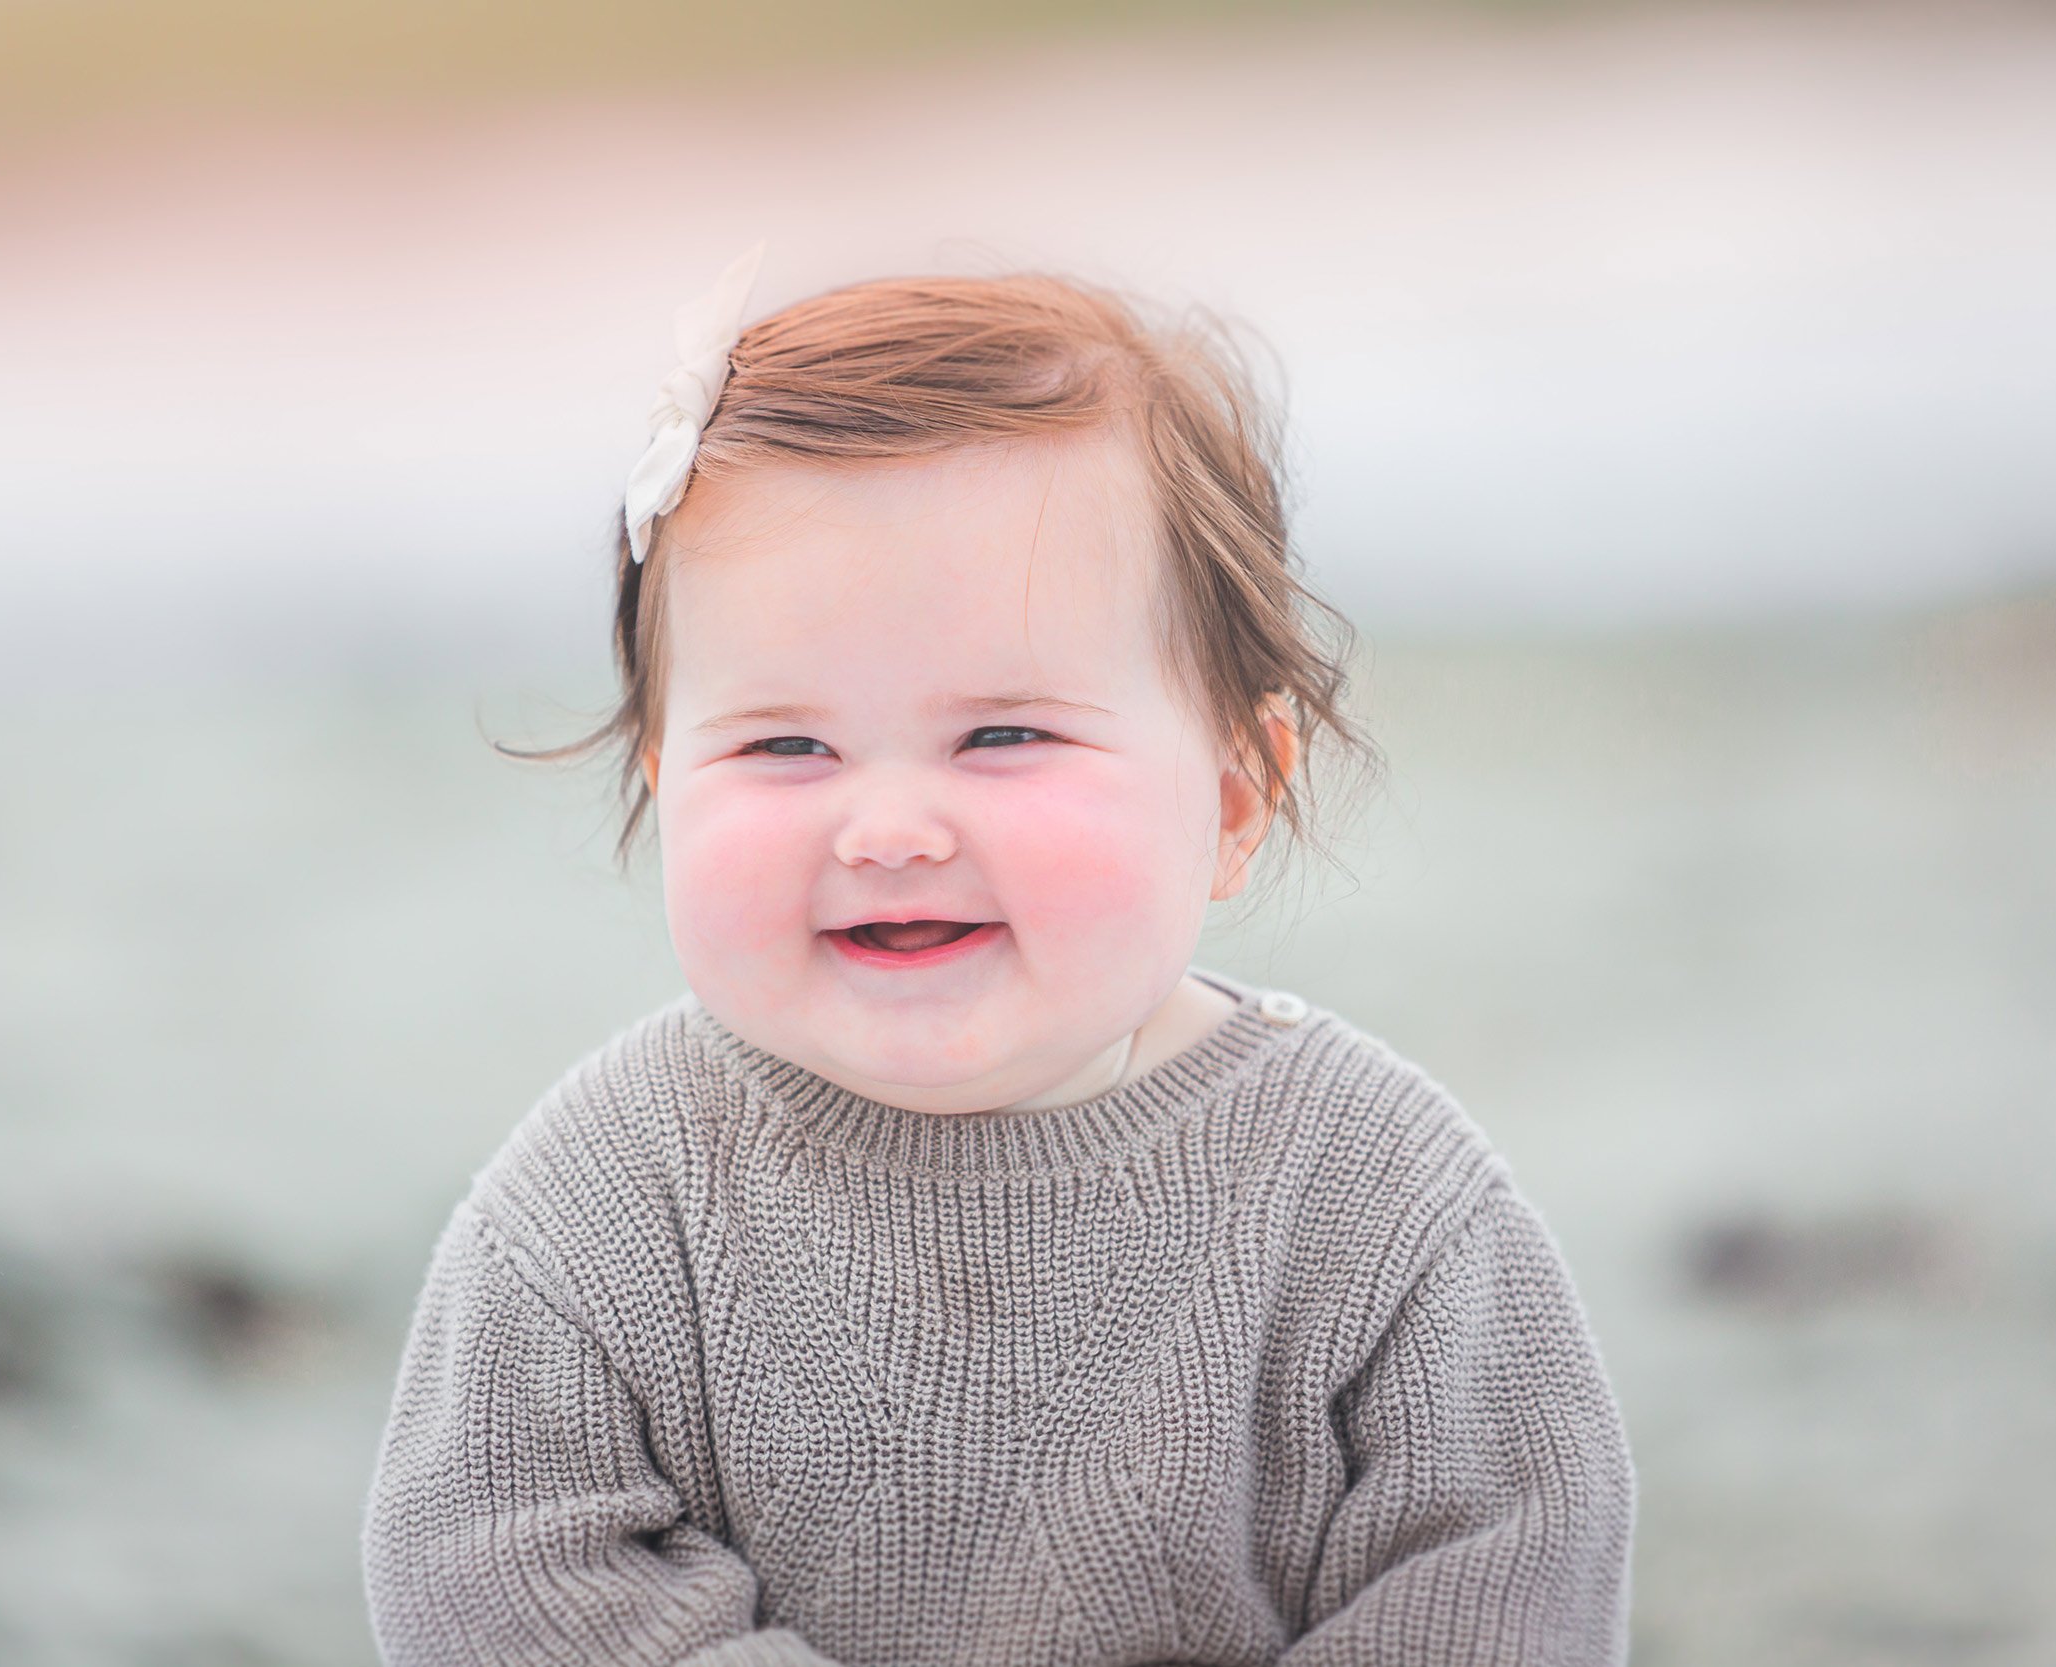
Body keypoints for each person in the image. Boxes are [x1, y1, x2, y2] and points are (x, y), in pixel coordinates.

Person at [360, 253, 1636, 1666]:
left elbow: (1504, 1574)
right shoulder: (608, 1199)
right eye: (788, 745)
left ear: (1229, 795)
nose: (892, 827)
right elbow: (498, 1573)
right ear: (666, 779)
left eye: (1003, 736)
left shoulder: (1378, 1198)